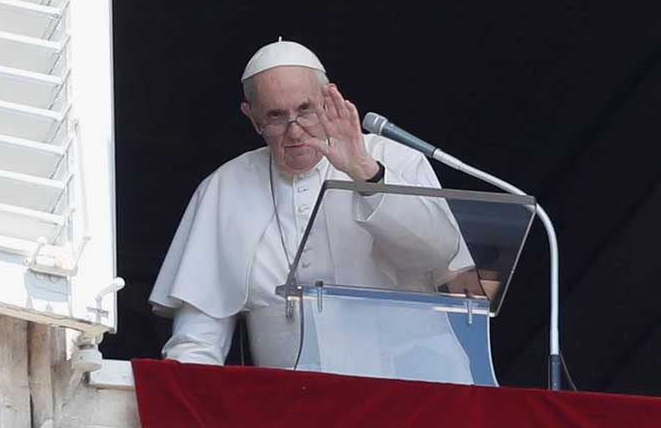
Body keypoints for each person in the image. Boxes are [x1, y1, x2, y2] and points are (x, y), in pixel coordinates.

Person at [149, 39, 473, 379]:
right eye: (276, 116)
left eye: (305, 110)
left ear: (329, 98)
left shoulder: (394, 160)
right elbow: (198, 338)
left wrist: (366, 173)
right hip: (291, 403)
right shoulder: (225, 186)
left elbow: (440, 254)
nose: (295, 130)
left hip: (408, 391)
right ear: (252, 117)